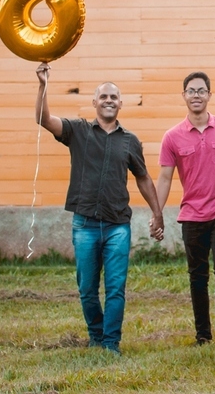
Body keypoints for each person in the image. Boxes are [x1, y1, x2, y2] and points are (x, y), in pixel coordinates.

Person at [35, 63, 163, 356]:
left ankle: (110, 343)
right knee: (88, 289)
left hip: (118, 225)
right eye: (103, 96)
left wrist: (157, 213)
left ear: (120, 104)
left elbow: (143, 177)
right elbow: (43, 119)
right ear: (94, 103)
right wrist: (43, 86)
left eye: (113, 97)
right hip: (85, 225)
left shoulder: (130, 141)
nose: (108, 101)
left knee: (116, 288)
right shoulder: (77, 130)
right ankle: (96, 335)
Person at [156, 72, 215, 347]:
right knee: (198, 275)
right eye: (191, 91)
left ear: (209, 95)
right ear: (184, 96)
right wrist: (157, 214)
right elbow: (166, 178)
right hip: (191, 215)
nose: (196, 95)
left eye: (201, 91)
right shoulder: (172, 137)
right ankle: (202, 334)